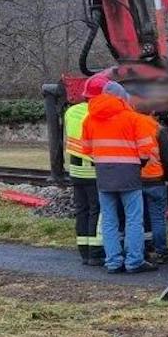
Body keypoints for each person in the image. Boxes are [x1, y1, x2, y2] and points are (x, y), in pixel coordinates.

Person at [79, 74, 157, 273]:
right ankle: (134, 261)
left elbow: (86, 149)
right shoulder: (133, 118)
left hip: (104, 174)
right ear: (123, 98)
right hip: (129, 174)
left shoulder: (89, 120)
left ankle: (113, 262)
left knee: (109, 220)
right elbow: (146, 149)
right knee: (133, 219)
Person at [63, 80, 104, 264]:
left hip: (75, 167)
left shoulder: (71, 111)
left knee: (82, 210)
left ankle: (84, 251)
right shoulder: (97, 113)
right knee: (96, 209)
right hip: (92, 168)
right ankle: (95, 252)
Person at [131, 107, 168, 265]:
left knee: (139, 219)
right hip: (156, 180)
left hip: (136, 180)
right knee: (158, 219)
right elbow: (167, 158)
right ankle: (162, 252)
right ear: (152, 112)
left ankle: (142, 250)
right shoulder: (157, 128)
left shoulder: (130, 125)